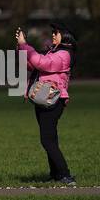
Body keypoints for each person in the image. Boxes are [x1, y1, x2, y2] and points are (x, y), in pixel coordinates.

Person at [16, 25, 76, 186]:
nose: (53, 36)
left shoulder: (64, 54)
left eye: (56, 33)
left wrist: (24, 45)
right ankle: (56, 173)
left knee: (47, 140)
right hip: (43, 98)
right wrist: (21, 47)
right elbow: (30, 64)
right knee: (51, 139)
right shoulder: (53, 52)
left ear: (65, 35)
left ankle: (65, 175)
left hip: (54, 100)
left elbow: (41, 63)